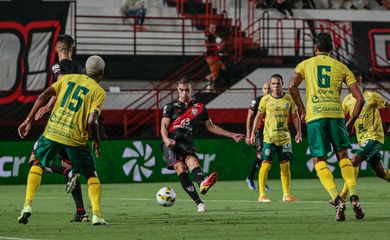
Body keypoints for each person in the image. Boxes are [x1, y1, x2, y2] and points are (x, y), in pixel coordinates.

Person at [17, 55, 107, 225]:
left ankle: (27, 205)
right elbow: (91, 121)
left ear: (86, 69)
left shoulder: (67, 78)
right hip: (75, 138)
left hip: (52, 132)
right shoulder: (98, 92)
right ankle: (96, 215)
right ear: (101, 74)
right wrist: (96, 140)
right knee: (90, 175)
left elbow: (43, 95)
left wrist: (28, 119)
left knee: (36, 163)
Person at [289, 32, 365, 221]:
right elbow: (360, 98)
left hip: (316, 116)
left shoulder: (305, 64)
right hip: (337, 116)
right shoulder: (342, 67)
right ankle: (353, 196)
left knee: (318, 159)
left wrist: (301, 109)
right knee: (343, 156)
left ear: (315, 48)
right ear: (332, 49)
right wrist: (351, 120)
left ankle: (336, 198)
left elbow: (291, 87)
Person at [161, 76, 244, 212]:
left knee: (192, 161)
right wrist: (165, 139)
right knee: (180, 168)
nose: (184, 93)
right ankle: (199, 202)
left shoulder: (199, 108)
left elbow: (211, 127)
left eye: (187, 90)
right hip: (171, 140)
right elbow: (164, 125)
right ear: (177, 89)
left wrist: (232, 135)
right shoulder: (169, 107)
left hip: (186, 141)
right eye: (181, 90)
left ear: (191, 89)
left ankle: (202, 184)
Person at [33, 34, 89, 223]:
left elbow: (63, 86)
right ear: (72, 48)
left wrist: (48, 105)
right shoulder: (81, 69)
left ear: (57, 49)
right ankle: (81, 211)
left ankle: (66, 174)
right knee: (70, 165)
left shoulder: (57, 67)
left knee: (35, 159)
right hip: (77, 123)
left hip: (58, 123)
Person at [250, 74, 301, 202]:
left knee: (285, 166)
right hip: (269, 138)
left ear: (282, 83)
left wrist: (298, 132)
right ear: (270, 85)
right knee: (266, 165)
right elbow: (257, 117)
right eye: (273, 83)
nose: (275, 86)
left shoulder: (289, 98)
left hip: (285, 138)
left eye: (278, 83)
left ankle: (286, 195)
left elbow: (295, 116)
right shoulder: (265, 100)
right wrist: (252, 134)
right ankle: (262, 195)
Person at [339, 71, 390, 198]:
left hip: (374, 137)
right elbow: (339, 117)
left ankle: (343, 196)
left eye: (354, 82)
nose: (351, 85)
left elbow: (388, 105)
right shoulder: (347, 100)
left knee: (354, 160)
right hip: (361, 139)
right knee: (381, 172)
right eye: (349, 83)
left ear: (359, 81)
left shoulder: (371, 96)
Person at [245, 82, 271, 191]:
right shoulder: (256, 101)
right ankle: (250, 178)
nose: (267, 90)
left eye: (269, 88)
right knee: (261, 156)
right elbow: (249, 118)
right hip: (258, 132)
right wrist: (249, 134)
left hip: (270, 132)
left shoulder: (275, 100)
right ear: (262, 89)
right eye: (265, 88)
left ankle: (262, 182)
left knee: (267, 158)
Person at [205, 23, 226, 93]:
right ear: (209, 28)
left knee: (216, 73)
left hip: (215, 55)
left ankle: (211, 87)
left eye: (214, 27)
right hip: (210, 55)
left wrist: (221, 46)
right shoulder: (208, 36)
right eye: (211, 28)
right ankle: (209, 85)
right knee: (214, 72)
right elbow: (207, 44)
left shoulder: (215, 36)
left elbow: (221, 45)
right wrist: (217, 45)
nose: (213, 29)